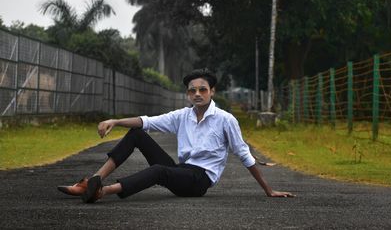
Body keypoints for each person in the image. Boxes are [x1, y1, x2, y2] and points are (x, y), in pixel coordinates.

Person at [57, 68, 295, 203]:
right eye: (193, 90)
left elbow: (245, 155)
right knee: (137, 134)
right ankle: (92, 182)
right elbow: (147, 122)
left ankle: (103, 191)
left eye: (203, 89)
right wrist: (115, 121)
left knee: (160, 171)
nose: (197, 94)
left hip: (199, 181)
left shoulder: (225, 120)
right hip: (182, 170)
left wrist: (268, 190)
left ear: (212, 92)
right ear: (188, 94)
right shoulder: (183, 115)